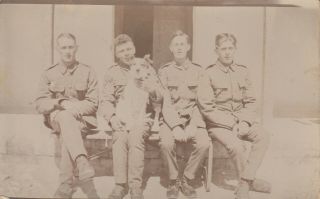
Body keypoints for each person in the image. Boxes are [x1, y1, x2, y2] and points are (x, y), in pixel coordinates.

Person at [197, 33, 271, 199]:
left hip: (242, 120)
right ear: (216, 50)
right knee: (236, 146)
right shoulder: (208, 74)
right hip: (218, 124)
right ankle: (249, 183)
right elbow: (207, 108)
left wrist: (244, 122)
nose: (227, 52)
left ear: (235, 49)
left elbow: (251, 101)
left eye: (230, 48)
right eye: (223, 49)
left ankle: (245, 181)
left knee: (263, 136)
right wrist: (232, 124)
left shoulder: (243, 71)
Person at [35, 33, 99, 198]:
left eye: (71, 47)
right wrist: (61, 103)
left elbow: (93, 103)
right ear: (58, 49)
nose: (68, 51)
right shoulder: (49, 73)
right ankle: (82, 162)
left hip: (82, 120)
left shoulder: (87, 71)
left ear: (76, 48)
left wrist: (74, 108)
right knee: (64, 117)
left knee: (68, 130)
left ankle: (65, 185)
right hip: (57, 118)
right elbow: (40, 103)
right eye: (64, 47)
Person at [101, 34, 162, 199]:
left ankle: (135, 186)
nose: (127, 53)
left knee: (135, 136)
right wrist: (112, 118)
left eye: (129, 49)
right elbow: (105, 100)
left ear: (134, 48)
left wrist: (152, 90)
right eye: (122, 51)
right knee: (120, 137)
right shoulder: (112, 73)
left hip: (144, 117)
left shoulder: (146, 67)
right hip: (121, 117)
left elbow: (159, 97)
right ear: (116, 54)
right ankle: (120, 185)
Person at [158, 30, 210, 199]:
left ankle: (187, 179)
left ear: (188, 47)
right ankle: (173, 180)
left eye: (182, 44)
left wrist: (194, 124)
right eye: (176, 45)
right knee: (166, 143)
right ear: (171, 48)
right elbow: (165, 104)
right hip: (171, 118)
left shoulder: (199, 71)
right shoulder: (164, 71)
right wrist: (175, 126)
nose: (179, 48)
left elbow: (201, 103)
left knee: (203, 143)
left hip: (193, 117)